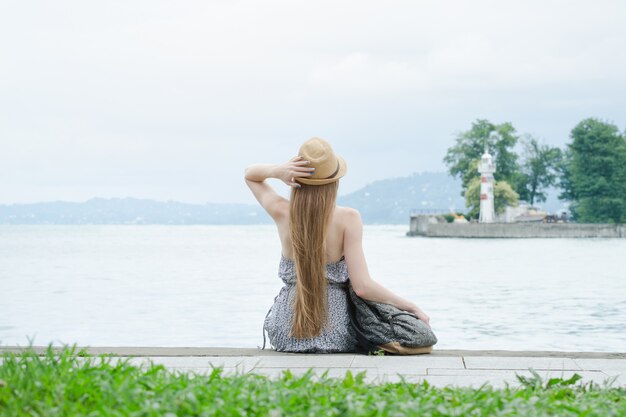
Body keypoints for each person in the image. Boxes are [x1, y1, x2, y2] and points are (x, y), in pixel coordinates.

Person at [244, 137, 431, 353]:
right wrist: (411, 306)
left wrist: (279, 171)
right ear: (334, 181)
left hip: (285, 330)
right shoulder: (348, 218)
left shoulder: (281, 210)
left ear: (295, 176)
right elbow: (362, 287)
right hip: (335, 331)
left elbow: (250, 174)